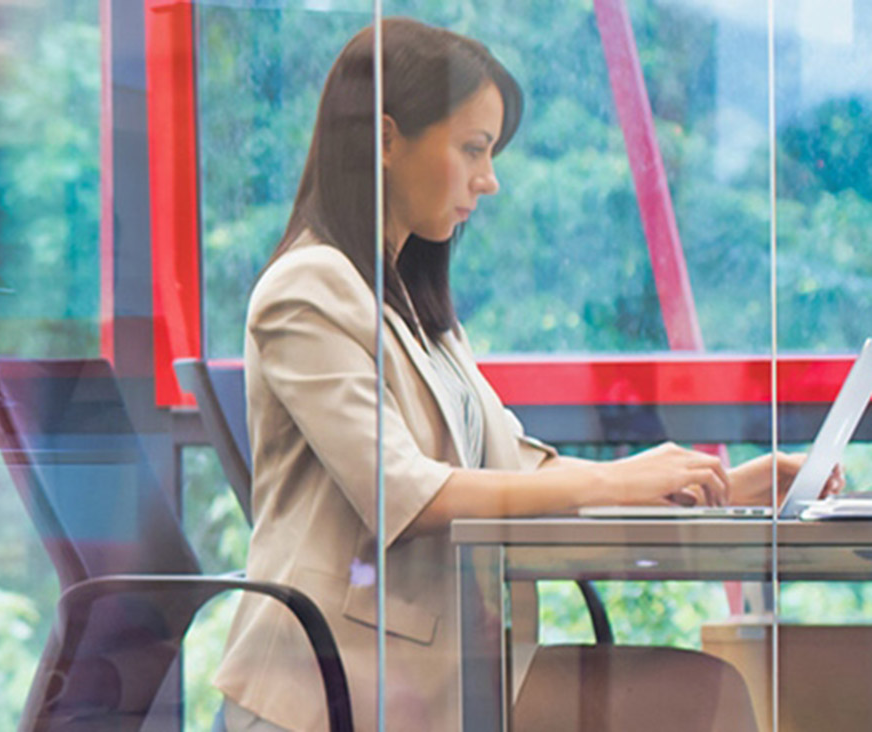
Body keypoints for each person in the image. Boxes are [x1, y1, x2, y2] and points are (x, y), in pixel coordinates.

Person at [211, 17, 844, 732]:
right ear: (385, 140)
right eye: (474, 149)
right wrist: (615, 481)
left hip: (443, 665)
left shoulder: (411, 308)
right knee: (700, 698)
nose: (490, 179)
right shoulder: (309, 288)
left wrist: (729, 485)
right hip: (346, 679)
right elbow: (405, 494)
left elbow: (513, 464)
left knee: (705, 691)